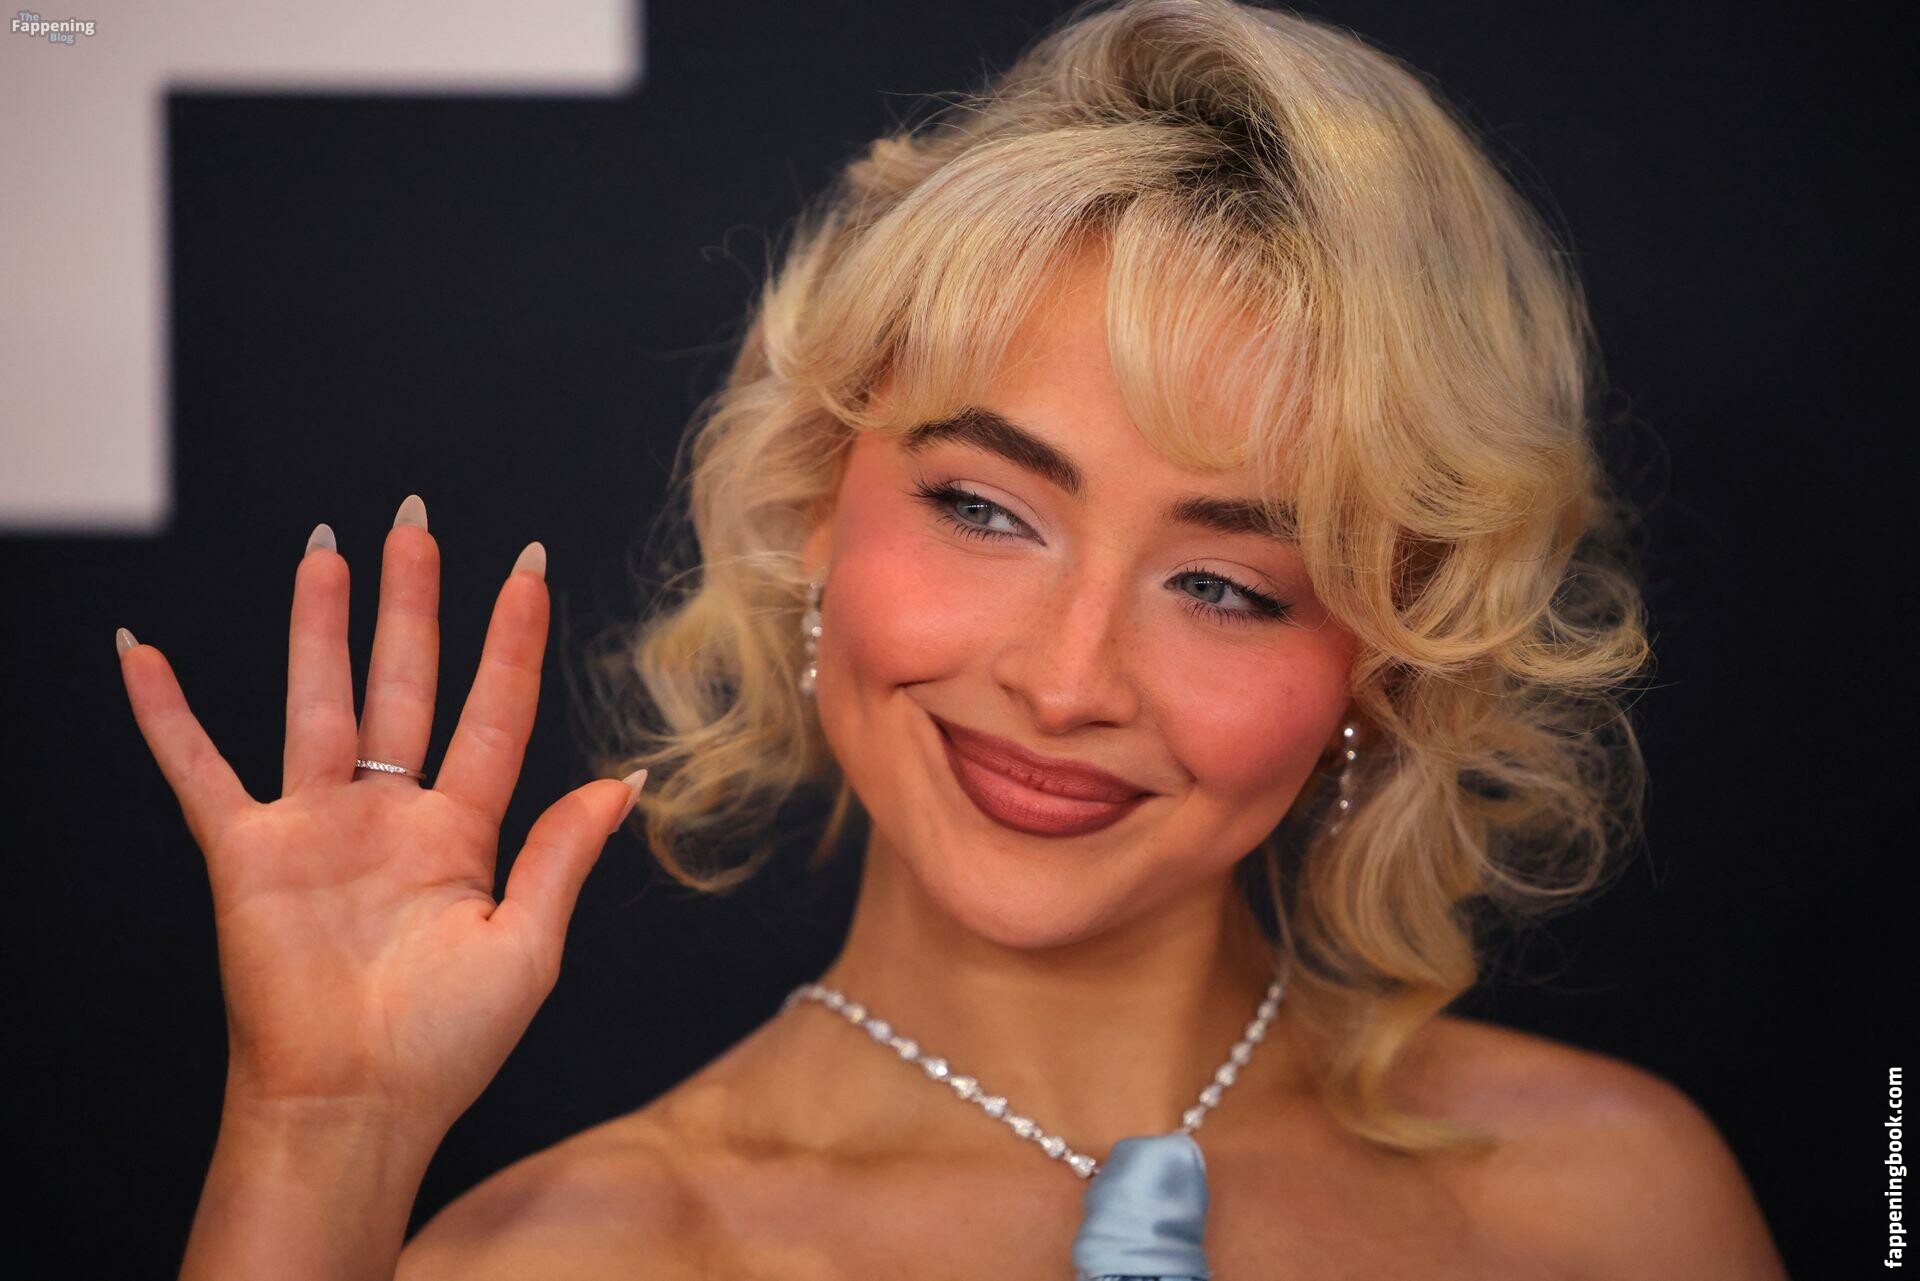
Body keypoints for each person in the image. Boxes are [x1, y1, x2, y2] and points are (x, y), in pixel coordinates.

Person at [119, 1, 1790, 1276]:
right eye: (987, 508)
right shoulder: (586, 1256)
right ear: (814, 502)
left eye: (1226, 584)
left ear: (1392, 651)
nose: (1065, 682)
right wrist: (318, 1136)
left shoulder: (1618, 1204)